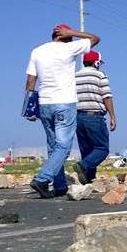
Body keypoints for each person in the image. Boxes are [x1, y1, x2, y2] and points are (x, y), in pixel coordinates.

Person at [26, 24, 100, 198]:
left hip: (44, 104)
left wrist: (30, 107)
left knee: (53, 147)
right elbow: (95, 39)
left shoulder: (37, 51)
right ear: (64, 36)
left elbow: (31, 80)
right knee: (64, 146)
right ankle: (42, 179)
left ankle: (59, 186)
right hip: (64, 102)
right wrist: (73, 32)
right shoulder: (69, 48)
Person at [72, 50, 115, 185]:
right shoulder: (100, 75)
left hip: (78, 117)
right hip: (94, 116)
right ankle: (83, 166)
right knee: (102, 149)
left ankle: (88, 180)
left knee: (87, 150)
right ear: (97, 62)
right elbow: (106, 96)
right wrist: (112, 116)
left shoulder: (75, 76)